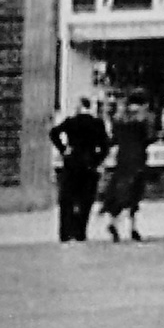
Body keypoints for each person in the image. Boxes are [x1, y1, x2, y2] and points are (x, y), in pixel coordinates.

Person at [49, 97, 109, 243]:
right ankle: (80, 231)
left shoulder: (71, 122)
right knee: (85, 200)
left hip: (72, 163)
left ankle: (65, 232)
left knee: (67, 199)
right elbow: (105, 145)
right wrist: (97, 159)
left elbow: (53, 133)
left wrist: (64, 149)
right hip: (89, 165)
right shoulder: (97, 123)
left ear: (80, 106)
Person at [100, 93, 158, 242]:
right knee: (134, 194)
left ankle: (114, 223)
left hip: (122, 159)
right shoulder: (145, 118)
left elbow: (113, 139)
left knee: (118, 192)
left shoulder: (120, 119)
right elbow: (150, 137)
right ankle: (133, 228)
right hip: (138, 159)